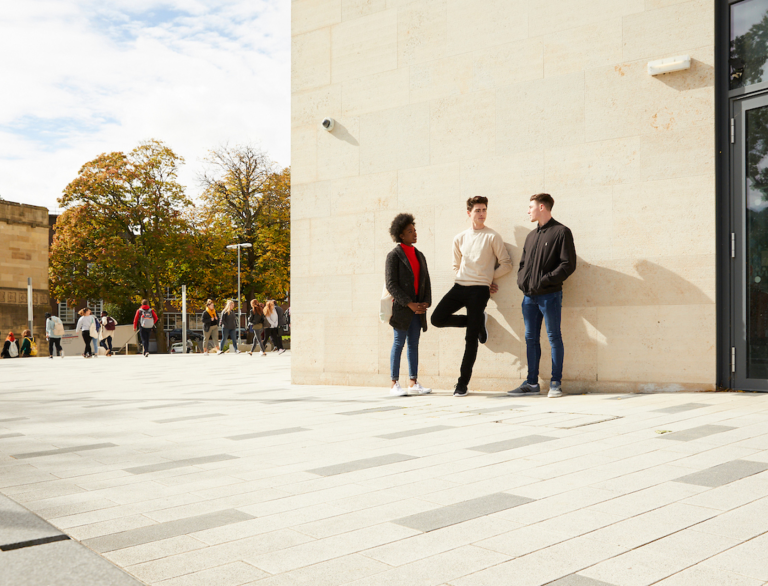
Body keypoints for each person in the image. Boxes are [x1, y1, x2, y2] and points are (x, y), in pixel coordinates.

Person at [431, 196, 513, 397]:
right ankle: (477, 322)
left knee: (471, 339)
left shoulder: (492, 236)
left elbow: (506, 264)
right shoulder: (459, 238)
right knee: (436, 319)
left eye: (484, 209)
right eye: (477, 210)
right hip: (459, 287)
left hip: (479, 291)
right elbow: (455, 265)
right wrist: (468, 276)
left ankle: (462, 384)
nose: (482, 214)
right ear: (469, 213)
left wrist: (487, 277)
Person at [509, 193, 577, 399]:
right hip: (528, 297)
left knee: (553, 337)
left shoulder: (561, 232)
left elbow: (568, 264)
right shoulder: (531, 236)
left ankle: (556, 383)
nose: (528, 211)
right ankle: (531, 382)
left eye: (530, 207)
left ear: (541, 207)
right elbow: (523, 265)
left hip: (550, 295)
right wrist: (522, 282)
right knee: (530, 338)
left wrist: (545, 280)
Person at [385, 213, 433, 396]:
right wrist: (409, 304)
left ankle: (413, 383)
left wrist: (426, 302)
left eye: (414, 230)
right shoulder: (394, 256)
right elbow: (391, 284)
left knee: (414, 344)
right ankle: (394, 384)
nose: (414, 233)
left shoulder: (419, 255)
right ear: (401, 235)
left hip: (418, 309)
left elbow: (426, 281)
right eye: (409, 231)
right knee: (399, 343)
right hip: (402, 310)